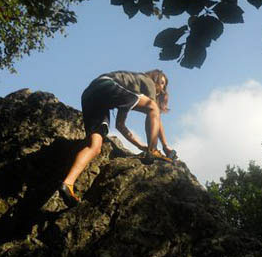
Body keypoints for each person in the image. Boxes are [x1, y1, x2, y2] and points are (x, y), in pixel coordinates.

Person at [59, 69, 176, 204]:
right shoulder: (147, 81)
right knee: (153, 107)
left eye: (164, 86)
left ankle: (68, 184)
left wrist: (141, 146)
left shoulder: (127, 91)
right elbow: (154, 110)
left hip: (90, 94)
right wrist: (165, 146)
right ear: (154, 78)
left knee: (95, 147)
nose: (161, 89)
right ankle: (153, 150)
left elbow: (120, 125)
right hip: (107, 85)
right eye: (161, 83)